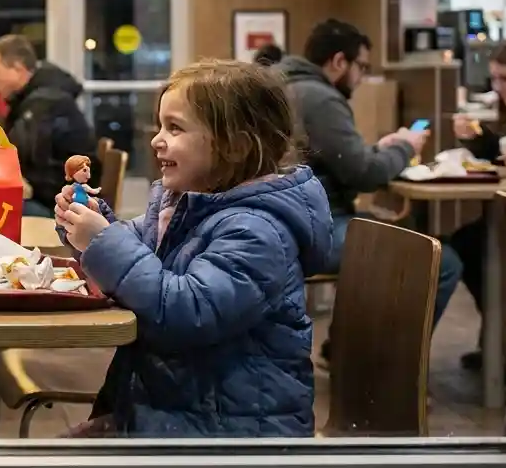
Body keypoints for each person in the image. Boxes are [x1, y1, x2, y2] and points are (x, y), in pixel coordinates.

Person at [55, 60, 331, 438]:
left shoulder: (258, 231)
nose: (156, 139)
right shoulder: (188, 205)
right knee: (48, 463)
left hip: (231, 433)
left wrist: (103, 241)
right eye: (160, 126)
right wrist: (88, 222)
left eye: (175, 127)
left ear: (234, 147)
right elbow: (135, 251)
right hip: (177, 410)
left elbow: (187, 311)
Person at [276, 20, 459, 335]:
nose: (361, 77)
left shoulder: (283, 86)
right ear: (338, 62)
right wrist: (405, 146)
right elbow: (365, 174)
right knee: (438, 261)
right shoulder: (320, 97)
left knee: (404, 232)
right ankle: (388, 365)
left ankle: (347, 347)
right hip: (314, 227)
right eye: (361, 66)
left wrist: (376, 149)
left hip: (287, 221)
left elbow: (338, 159)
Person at [448, 36, 506, 375]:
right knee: (468, 246)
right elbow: (503, 155)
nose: (498, 88)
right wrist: (476, 139)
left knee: (483, 248)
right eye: (494, 79)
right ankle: (504, 342)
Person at [0, 34, 95, 217]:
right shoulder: (31, 98)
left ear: (18, 69)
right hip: (51, 197)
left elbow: (14, 151)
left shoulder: (47, 99)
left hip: (62, 208)